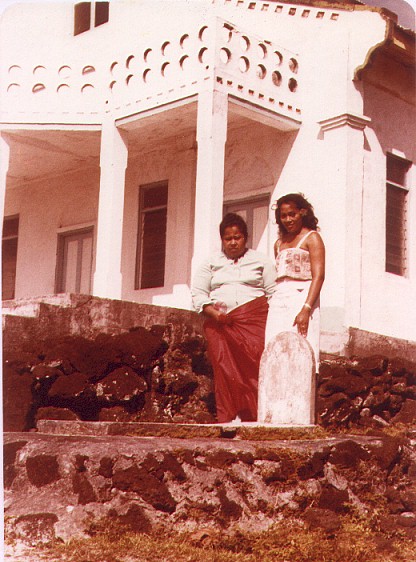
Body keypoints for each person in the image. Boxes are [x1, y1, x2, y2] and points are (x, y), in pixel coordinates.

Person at [191, 213, 277, 423]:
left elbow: (273, 291)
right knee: (224, 369)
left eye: (237, 237)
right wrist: (215, 314)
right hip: (220, 325)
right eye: (228, 238)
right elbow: (198, 294)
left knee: (254, 365)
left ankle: (258, 414)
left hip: (253, 323)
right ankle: (230, 416)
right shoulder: (210, 263)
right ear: (222, 240)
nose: (232, 242)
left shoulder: (260, 260)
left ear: (245, 238)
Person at [265, 193, 325, 367]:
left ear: (303, 213)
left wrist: (306, 309)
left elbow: (318, 276)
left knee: (301, 349)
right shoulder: (279, 244)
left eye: (293, 214)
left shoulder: (312, 238)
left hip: (302, 297)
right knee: (275, 348)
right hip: (279, 297)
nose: (288, 219)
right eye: (283, 216)